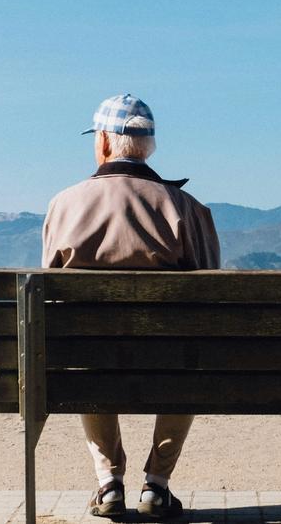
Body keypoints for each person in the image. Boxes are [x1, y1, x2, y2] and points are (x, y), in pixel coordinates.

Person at [41, 94, 221, 520]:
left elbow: (47, 296)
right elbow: (213, 295)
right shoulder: (187, 210)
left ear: (103, 142)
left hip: (92, 361)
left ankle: (108, 484)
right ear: (149, 147)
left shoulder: (64, 204)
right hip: (170, 361)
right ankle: (156, 485)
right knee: (188, 358)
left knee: (82, 355)